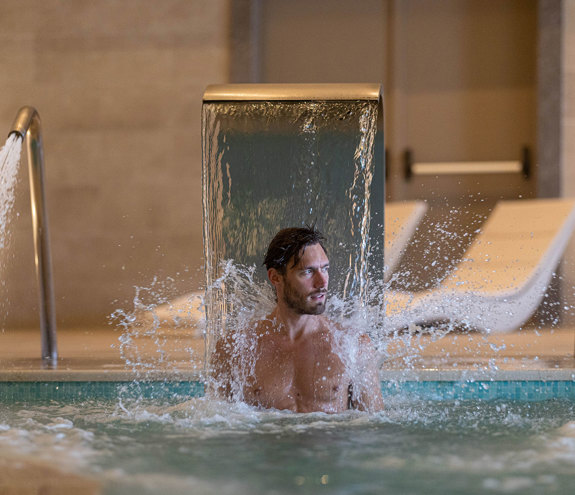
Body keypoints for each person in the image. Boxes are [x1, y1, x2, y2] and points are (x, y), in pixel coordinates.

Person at [210, 226, 384, 413]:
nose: (322, 283)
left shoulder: (352, 346)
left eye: (325, 269)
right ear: (275, 277)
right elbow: (220, 427)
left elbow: (374, 427)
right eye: (307, 272)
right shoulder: (237, 350)